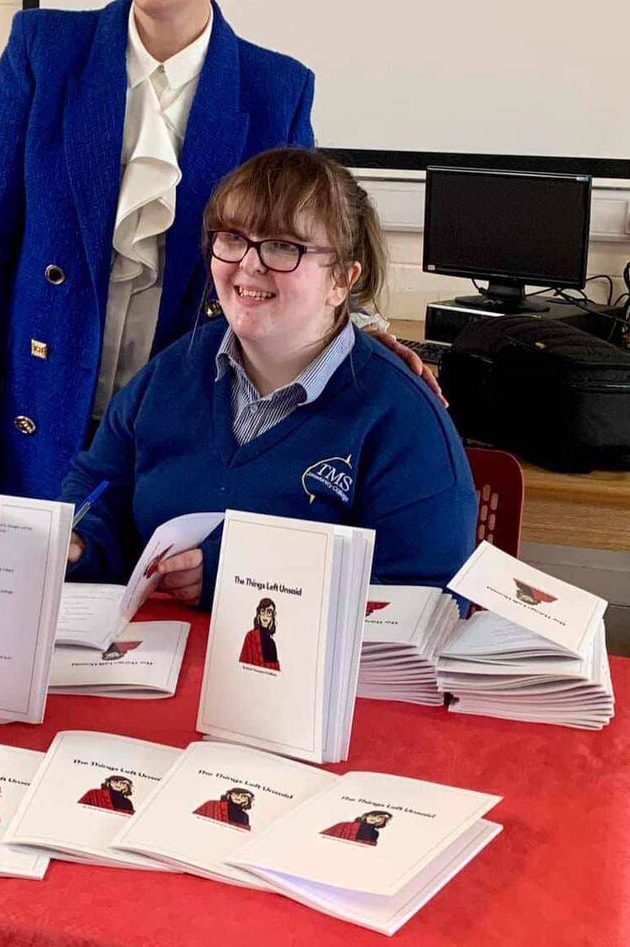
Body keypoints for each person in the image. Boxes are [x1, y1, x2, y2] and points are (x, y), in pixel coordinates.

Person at [0, 0, 434, 502]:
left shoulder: (274, 88)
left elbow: (306, 250)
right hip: (32, 409)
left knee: (148, 606)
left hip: (181, 424)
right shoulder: (45, 50)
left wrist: (371, 340)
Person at [62, 147, 478, 610]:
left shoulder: (402, 420)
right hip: (155, 665)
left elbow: (429, 601)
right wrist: (81, 542)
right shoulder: (172, 372)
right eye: (233, 238)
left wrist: (241, 581)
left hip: (312, 679)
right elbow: (101, 487)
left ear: (341, 279)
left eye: (284, 246)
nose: (250, 263)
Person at [238, 598, 280, 670]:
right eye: (263, 611)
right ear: (259, 614)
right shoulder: (250, 636)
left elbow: (275, 670)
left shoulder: (272, 643)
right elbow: (242, 663)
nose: (265, 615)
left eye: (269, 612)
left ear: (272, 616)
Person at [322, 811, 392, 845]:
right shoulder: (344, 824)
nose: (374, 818)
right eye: (373, 815)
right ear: (366, 816)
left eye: (380, 817)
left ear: (383, 821)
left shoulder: (375, 833)